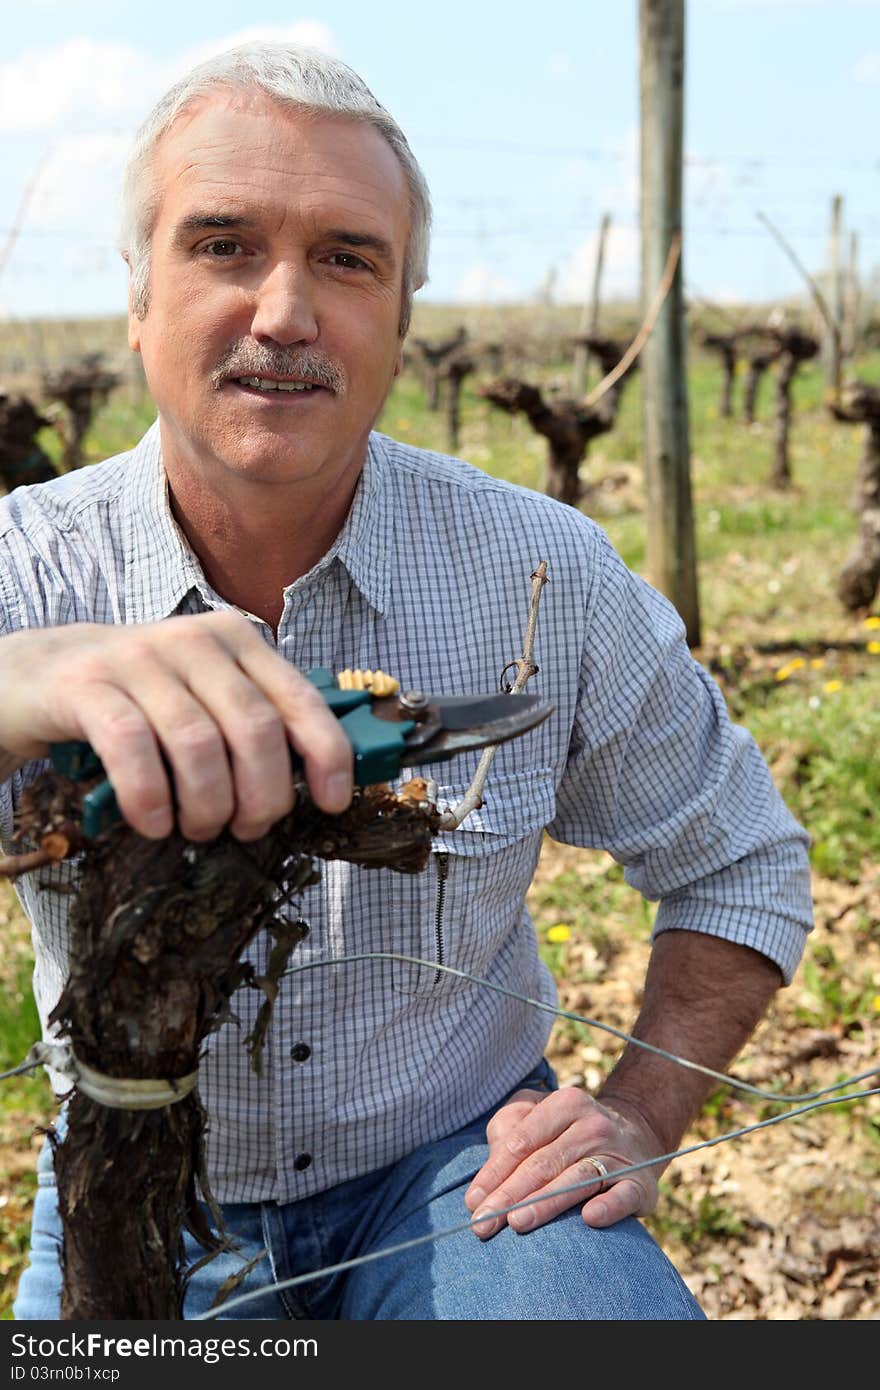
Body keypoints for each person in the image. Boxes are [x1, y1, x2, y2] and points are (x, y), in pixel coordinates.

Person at [1, 42, 813, 1322]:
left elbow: (741, 861)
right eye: (222, 244)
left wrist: (643, 1111)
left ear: (399, 319)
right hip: (131, 1183)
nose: (283, 311)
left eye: (345, 257)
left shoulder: (542, 572)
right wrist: (19, 685)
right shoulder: (27, 571)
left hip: (464, 1179)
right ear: (138, 299)